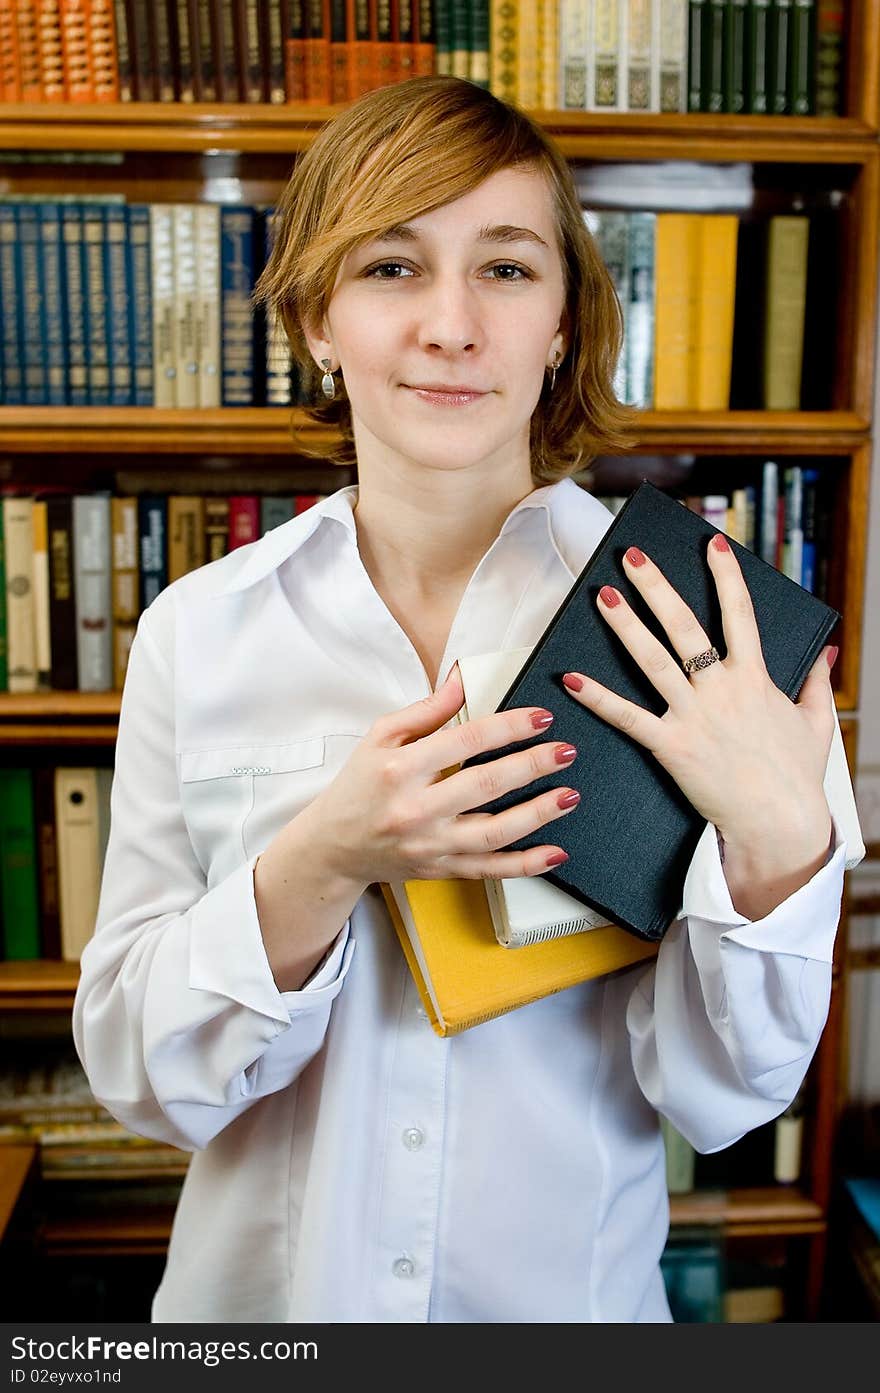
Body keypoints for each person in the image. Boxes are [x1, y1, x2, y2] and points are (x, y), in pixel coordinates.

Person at [72, 75, 865, 1324]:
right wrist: (322, 862)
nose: (451, 324)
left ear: (561, 324)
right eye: (391, 267)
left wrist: (775, 847)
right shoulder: (200, 632)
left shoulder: (709, 636)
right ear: (317, 321)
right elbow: (141, 1078)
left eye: (504, 269)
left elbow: (724, 1095)